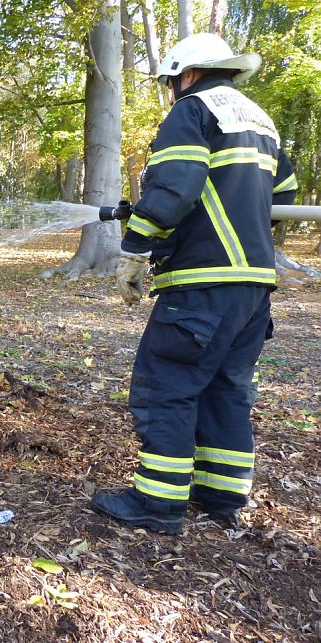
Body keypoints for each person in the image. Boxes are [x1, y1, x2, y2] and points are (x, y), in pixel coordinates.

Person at [91, 33, 298, 535]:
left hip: (202, 286)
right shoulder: (260, 122)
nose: (170, 90)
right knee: (226, 386)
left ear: (186, 74)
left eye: (170, 81)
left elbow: (174, 187)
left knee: (167, 384)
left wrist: (135, 247)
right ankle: (222, 492)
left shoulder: (193, 111)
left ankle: (157, 502)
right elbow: (285, 195)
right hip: (253, 288)